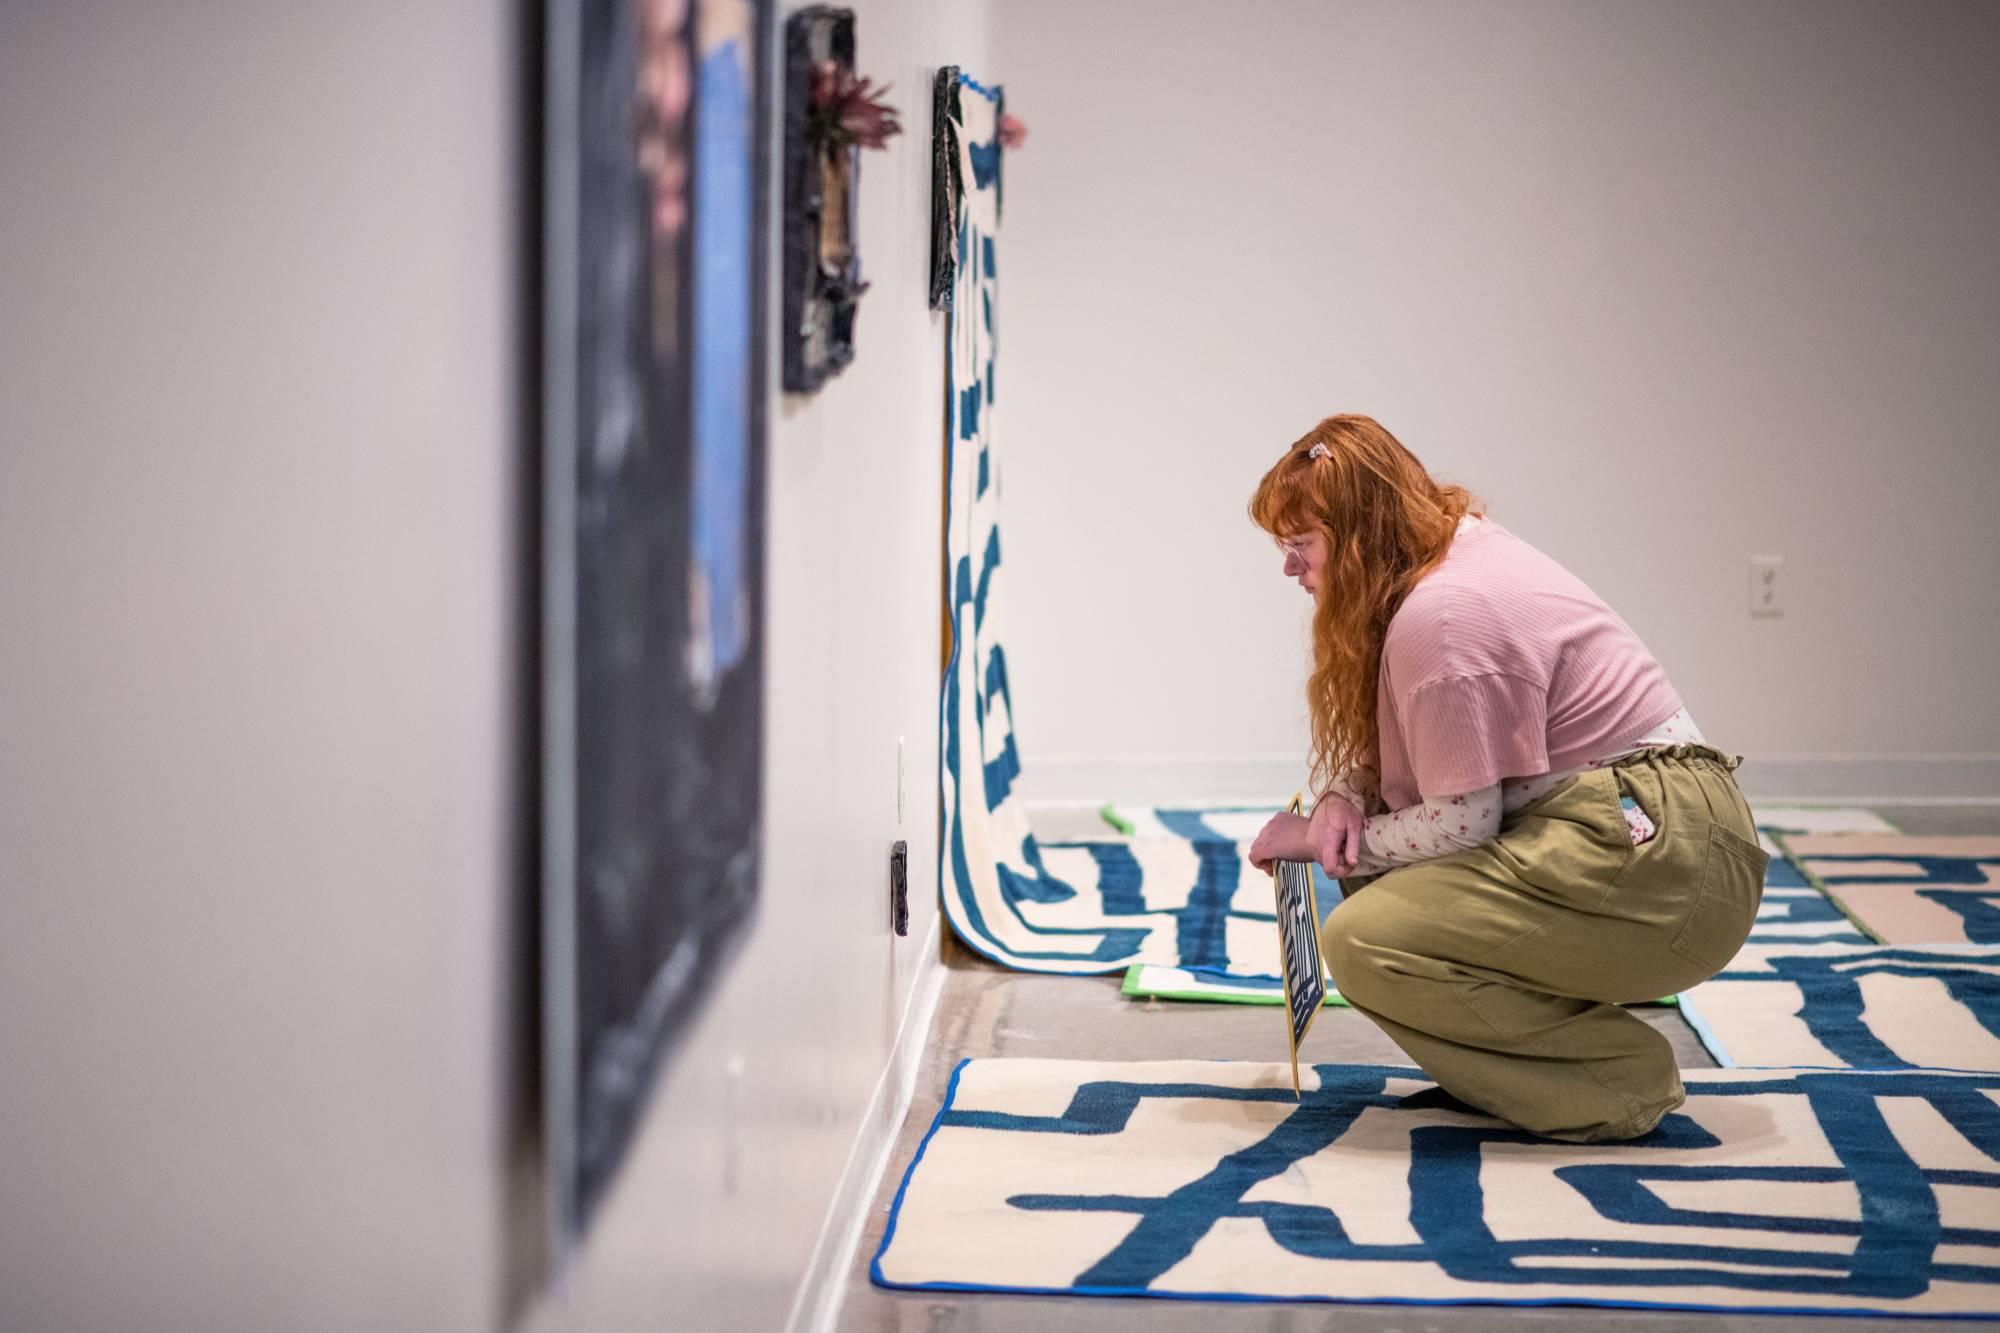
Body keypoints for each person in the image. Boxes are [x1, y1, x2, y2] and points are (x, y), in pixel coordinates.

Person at [1244, 414, 1766, 1142]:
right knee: (1379, 888)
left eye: (1301, 546)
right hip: (1663, 834)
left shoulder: (1443, 617)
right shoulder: (1447, 555)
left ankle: (1615, 1083)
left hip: (1670, 865)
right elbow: (1409, 750)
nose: (1290, 568)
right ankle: (1544, 1068)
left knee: (1366, 937)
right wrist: (1341, 797)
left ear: (1358, 538)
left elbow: (1461, 822)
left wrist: (1312, 837)